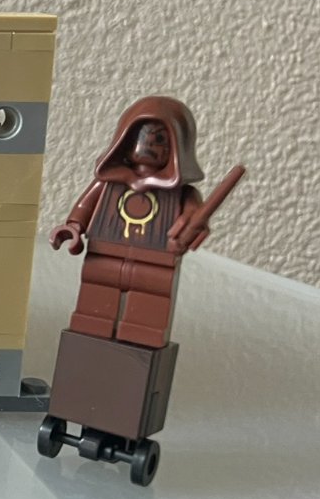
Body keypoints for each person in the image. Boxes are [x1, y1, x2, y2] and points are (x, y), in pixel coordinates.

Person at [49, 96, 207, 348]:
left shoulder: (182, 194)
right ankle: (89, 336)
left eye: (159, 139)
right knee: (95, 301)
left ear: (178, 146)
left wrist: (191, 229)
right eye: (141, 136)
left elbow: (194, 221)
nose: (147, 145)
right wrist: (73, 227)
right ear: (125, 139)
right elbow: (84, 208)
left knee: (149, 307)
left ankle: (141, 344)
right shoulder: (109, 182)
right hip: (104, 253)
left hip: (155, 261)